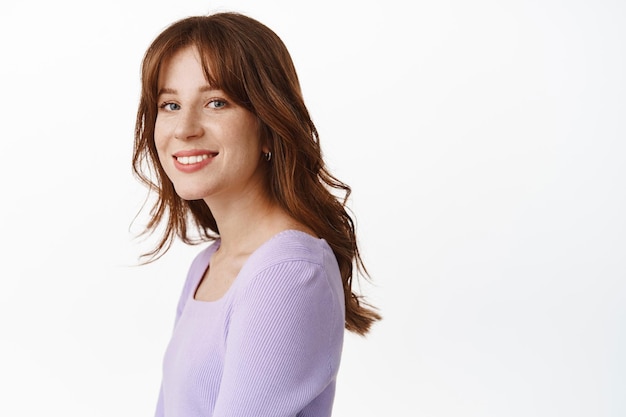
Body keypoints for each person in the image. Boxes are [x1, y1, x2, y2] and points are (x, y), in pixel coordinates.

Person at [132, 11, 381, 417]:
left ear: (268, 124)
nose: (184, 128)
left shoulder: (289, 272)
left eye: (216, 102)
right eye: (170, 104)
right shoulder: (207, 265)